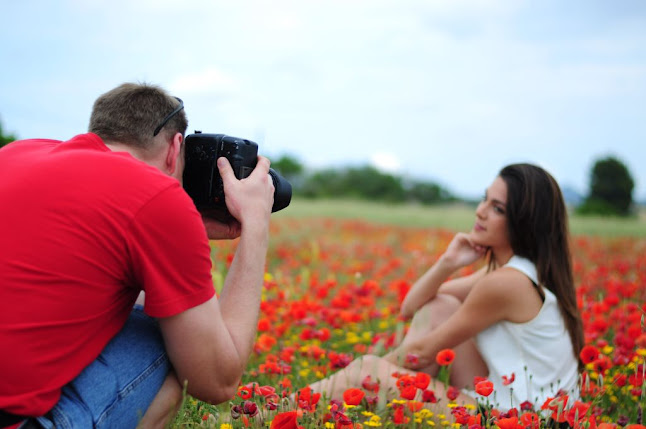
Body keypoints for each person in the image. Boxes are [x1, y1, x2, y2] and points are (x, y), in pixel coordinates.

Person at [0, 83, 275, 428]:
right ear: (176, 148)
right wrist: (256, 225)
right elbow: (216, 380)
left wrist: (183, 226)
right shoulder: (155, 195)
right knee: (175, 345)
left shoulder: (17, 153)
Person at [307, 163, 584, 414]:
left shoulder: (507, 283)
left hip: (519, 419)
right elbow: (412, 308)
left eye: (497, 209)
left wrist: (366, 373)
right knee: (441, 306)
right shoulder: (517, 272)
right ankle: (370, 403)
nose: (481, 211)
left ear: (523, 223)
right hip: (507, 405)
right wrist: (448, 263)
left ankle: (283, 409)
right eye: (484, 199)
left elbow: (424, 352)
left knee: (366, 371)